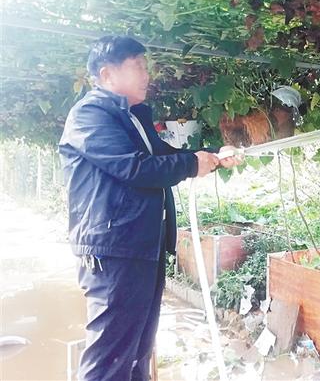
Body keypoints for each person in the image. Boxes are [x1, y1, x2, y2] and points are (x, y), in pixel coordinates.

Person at [59, 36, 242, 380]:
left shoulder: (131, 118)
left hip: (139, 244)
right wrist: (192, 164)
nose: (147, 75)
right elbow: (134, 167)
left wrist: (213, 155)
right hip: (113, 250)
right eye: (138, 67)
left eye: (146, 67)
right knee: (111, 353)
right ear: (107, 74)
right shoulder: (89, 114)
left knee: (138, 347)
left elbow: (163, 156)